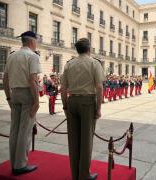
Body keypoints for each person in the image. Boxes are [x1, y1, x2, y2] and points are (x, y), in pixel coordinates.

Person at [61, 38, 104, 180]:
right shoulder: (94, 63)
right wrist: (98, 108)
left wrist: (65, 105)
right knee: (86, 141)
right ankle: (84, 175)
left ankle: (75, 174)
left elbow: (63, 88)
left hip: (72, 100)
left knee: (73, 141)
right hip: (87, 103)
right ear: (89, 49)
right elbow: (99, 87)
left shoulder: (69, 64)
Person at [3, 31, 41, 175]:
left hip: (15, 94)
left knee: (15, 130)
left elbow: (5, 80)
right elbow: (33, 80)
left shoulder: (12, 56)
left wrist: (8, 98)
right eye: (36, 41)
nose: (36, 43)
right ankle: (20, 165)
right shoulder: (32, 56)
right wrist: (36, 102)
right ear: (32, 41)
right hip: (27, 94)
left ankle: (14, 163)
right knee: (24, 131)